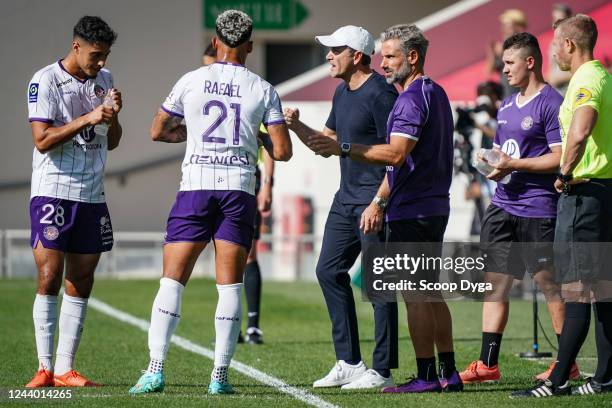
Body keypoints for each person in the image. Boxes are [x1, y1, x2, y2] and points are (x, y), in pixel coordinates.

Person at [128, 10, 292, 396]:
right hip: (238, 190)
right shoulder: (264, 88)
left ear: (215, 41)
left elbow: (158, 130)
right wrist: (256, 137)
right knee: (230, 287)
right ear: (250, 46)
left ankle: (155, 370)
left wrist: (193, 133)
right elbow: (282, 151)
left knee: (172, 281)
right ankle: (219, 376)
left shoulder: (192, 80)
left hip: (196, 188)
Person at [308, 23, 461, 393]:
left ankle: (422, 376)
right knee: (427, 292)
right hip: (431, 204)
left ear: (412, 57)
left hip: (411, 207)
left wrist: (370, 186)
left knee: (413, 294)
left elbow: (395, 155)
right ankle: (449, 373)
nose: (384, 63)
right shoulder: (434, 92)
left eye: (390, 56)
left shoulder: (405, 98)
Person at [459, 32, 579, 384]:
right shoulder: (507, 105)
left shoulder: (550, 102)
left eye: (509, 63)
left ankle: (567, 363)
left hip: (538, 209)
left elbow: (559, 159)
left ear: (530, 62)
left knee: (550, 286)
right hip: (502, 206)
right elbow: (504, 156)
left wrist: (515, 164)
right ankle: (487, 364)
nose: (504, 70)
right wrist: (490, 163)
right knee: (494, 284)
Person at [284, 25, 399, 389]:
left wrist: (379, 201)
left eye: (336, 49)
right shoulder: (340, 91)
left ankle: (381, 370)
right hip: (344, 200)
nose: (328, 56)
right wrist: (296, 126)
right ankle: (349, 362)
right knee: (328, 271)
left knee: (379, 287)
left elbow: (399, 157)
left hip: (374, 203)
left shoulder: (382, 93)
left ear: (358, 55)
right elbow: (327, 143)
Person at [511, 14, 612, 398]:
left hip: (584, 197)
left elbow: (582, 129)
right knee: (603, 290)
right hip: (602, 194)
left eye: (555, 44)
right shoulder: (604, 77)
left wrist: (565, 173)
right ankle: (604, 377)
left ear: (569, 45)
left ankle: (558, 381)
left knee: (576, 291)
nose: (552, 51)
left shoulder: (586, 80)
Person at [24, 16, 121, 388]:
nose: (101, 63)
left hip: (92, 194)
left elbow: (111, 141)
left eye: (106, 56)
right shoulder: (45, 79)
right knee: (49, 276)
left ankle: (65, 368)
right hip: (53, 190)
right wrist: (90, 117)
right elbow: (43, 139)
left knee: (81, 279)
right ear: (76, 46)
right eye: (96, 55)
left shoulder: (105, 80)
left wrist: (112, 119)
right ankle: (44, 367)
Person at [201, 42, 275, 344]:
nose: (212, 71)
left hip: (246, 180)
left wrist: (268, 184)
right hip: (209, 181)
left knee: (247, 253)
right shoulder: (202, 91)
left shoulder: (251, 91)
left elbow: (270, 144)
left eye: (213, 64)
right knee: (224, 254)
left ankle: (253, 324)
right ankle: (234, 326)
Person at [486, 9, 527, 98]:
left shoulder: (524, 42)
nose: (503, 28)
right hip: (507, 90)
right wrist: (491, 53)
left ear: (517, 26)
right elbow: (489, 70)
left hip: (519, 90)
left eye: (506, 25)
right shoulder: (502, 45)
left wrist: (502, 50)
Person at [547, 4, 573, 94]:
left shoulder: (574, 41)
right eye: (554, 19)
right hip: (556, 93)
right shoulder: (552, 44)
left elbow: (581, 69)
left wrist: (558, 78)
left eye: (560, 20)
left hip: (570, 91)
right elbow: (551, 69)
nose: (555, 23)